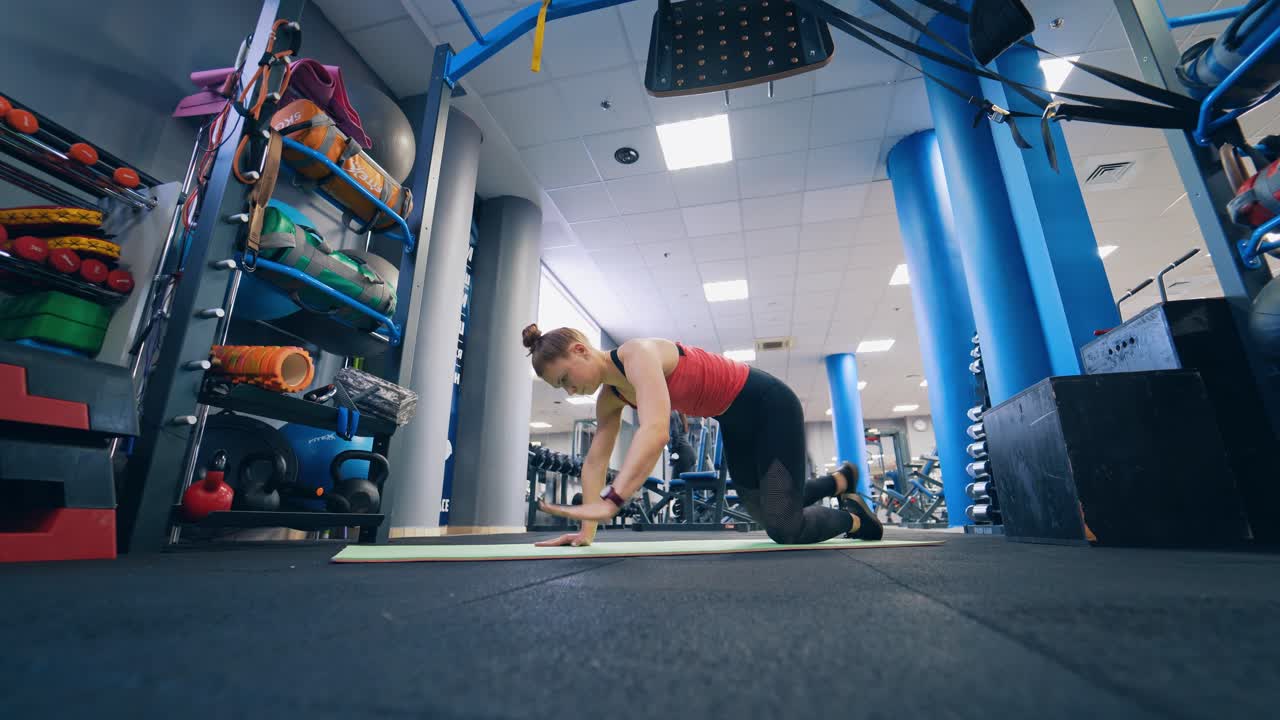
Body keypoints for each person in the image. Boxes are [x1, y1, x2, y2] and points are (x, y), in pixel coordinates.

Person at [523, 324, 883, 548]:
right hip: (734, 422)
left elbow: (655, 430)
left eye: (564, 379)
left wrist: (614, 499)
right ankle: (838, 481)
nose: (569, 391)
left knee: (785, 528)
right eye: (561, 388)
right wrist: (586, 530)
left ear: (580, 350)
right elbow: (595, 462)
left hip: (769, 404)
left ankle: (854, 517)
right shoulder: (610, 399)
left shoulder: (637, 354)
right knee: (761, 509)